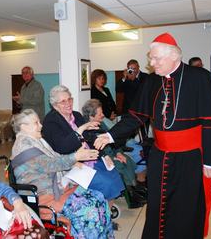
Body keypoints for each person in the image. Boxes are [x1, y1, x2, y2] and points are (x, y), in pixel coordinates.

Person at [94, 32, 211, 239]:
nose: (151, 62)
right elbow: (135, 116)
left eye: (156, 58)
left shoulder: (199, 77)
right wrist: (110, 135)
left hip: (190, 157)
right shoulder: (152, 82)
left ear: (174, 56)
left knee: (186, 207)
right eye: (151, 57)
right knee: (158, 205)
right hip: (160, 156)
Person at [11, 109, 114, 238]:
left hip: (57, 189)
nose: (41, 125)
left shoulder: (35, 140)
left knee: (98, 196)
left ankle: (101, 233)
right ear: (24, 127)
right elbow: (52, 164)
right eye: (36, 123)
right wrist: (75, 157)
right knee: (89, 208)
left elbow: (54, 158)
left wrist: (73, 162)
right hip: (46, 196)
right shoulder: (24, 146)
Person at [42, 85, 124, 200]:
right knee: (106, 183)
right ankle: (100, 213)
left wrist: (104, 155)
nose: (68, 103)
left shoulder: (76, 115)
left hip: (89, 158)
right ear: (55, 105)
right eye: (63, 101)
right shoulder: (51, 121)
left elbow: (89, 138)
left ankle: (106, 213)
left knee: (114, 173)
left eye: (69, 99)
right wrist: (81, 129)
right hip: (72, 163)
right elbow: (63, 147)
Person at [81, 99, 147, 208]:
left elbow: (113, 140)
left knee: (127, 160)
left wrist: (118, 153)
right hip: (101, 157)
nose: (103, 115)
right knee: (120, 166)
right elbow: (97, 150)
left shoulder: (101, 124)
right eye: (100, 114)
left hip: (112, 153)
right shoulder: (87, 129)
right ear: (91, 116)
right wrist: (112, 157)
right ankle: (130, 196)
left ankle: (133, 189)